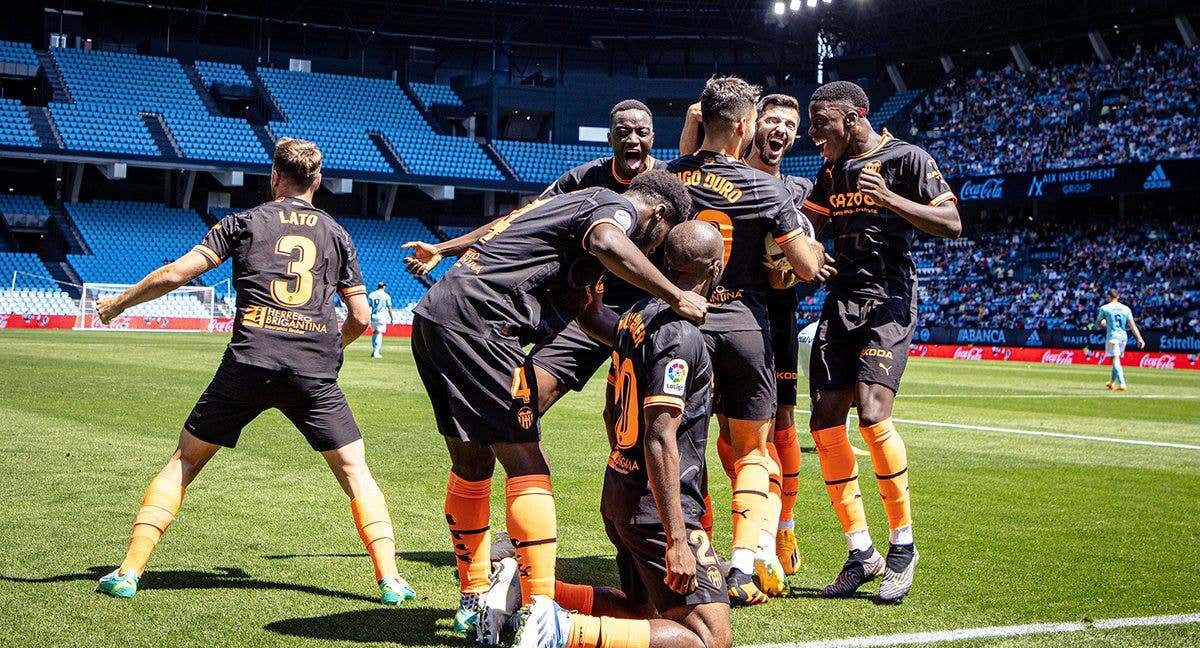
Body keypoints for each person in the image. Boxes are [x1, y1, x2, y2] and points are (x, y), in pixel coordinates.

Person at [93, 138, 415, 606]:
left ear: (274, 177)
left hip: (250, 359)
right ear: (318, 181)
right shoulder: (338, 234)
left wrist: (116, 304)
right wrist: (329, 347)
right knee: (355, 471)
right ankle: (390, 580)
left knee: (185, 460)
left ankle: (128, 572)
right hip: (312, 371)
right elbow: (361, 318)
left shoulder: (243, 222)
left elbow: (176, 274)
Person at [408, 169, 705, 640]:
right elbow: (610, 239)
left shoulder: (572, 212)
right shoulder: (614, 207)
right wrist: (675, 296)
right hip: (483, 325)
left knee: (472, 460)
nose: (653, 254)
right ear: (659, 215)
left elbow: (588, 313)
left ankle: (475, 595)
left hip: (440, 314)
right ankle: (538, 607)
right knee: (527, 460)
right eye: (659, 242)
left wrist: (638, 346)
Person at [513, 220, 731, 648]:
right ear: (715, 269)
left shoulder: (640, 315)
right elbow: (659, 436)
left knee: (641, 610)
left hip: (621, 492)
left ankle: (530, 596)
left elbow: (597, 322)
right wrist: (677, 540)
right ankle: (559, 631)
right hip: (655, 506)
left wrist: (586, 289)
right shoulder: (681, 336)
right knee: (708, 638)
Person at [668, 76, 825, 606]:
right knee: (752, 449)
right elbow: (805, 268)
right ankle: (742, 565)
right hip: (744, 329)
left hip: (685, 327)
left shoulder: (670, 180)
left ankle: (694, 549)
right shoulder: (768, 188)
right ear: (744, 126)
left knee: (684, 442)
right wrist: (803, 253)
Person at [801, 81, 961, 603]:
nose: (812, 132)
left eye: (819, 121)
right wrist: (800, 250)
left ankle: (902, 545)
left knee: (872, 415)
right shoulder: (831, 170)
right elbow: (812, 225)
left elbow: (952, 222)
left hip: (889, 300)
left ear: (851, 118)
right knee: (824, 423)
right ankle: (860, 552)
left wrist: (888, 198)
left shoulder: (908, 158)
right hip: (839, 299)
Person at [406, 100, 662, 417]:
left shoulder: (665, 186)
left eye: (642, 132)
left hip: (647, 309)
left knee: (637, 416)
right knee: (521, 405)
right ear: (610, 138)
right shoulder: (584, 179)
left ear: (653, 137)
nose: (633, 140)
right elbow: (520, 219)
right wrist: (444, 249)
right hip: (586, 309)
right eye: (623, 132)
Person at [1098, 288, 1145, 390]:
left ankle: (1122, 383)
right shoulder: (1126, 308)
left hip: (1113, 336)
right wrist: (1140, 338)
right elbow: (1133, 325)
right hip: (1123, 337)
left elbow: (1098, 323)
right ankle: (1111, 382)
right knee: (1116, 359)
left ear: (1108, 297)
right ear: (1118, 297)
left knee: (1115, 360)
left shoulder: (1105, 308)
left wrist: (1103, 323)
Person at [367, 281, 393, 358]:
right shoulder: (386, 296)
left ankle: (374, 350)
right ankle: (376, 352)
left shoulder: (371, 295)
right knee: (379, 334)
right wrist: (392, 318)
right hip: (381, 317)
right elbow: (389, 308)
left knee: (375, 333)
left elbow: (369, 307)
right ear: (384, 286)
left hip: (373, 316)